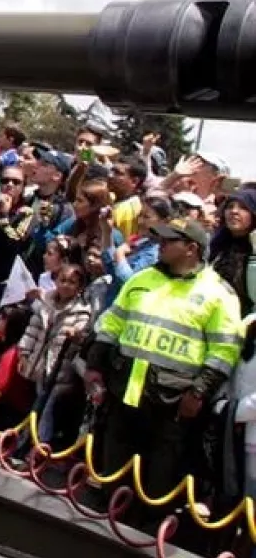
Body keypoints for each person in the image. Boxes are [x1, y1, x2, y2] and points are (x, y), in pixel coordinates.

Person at [85, 217, 245, 518]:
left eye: (169, 240)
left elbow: (224, 350)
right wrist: (95, 365)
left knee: (157, 481)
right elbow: (111, 324)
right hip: (124, 391)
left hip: (172, 402)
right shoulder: (142, 278)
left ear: (191, 248)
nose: (161, 244)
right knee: (113, 468)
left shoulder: (219, 293)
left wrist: (198, 392)